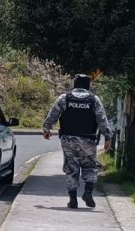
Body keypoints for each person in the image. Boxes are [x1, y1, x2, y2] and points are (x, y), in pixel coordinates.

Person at [41, 74, 114, 209]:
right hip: (89, 140)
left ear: (75, 84)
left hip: (68, 139)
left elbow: (53, 114)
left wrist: (46, 129)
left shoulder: (65, 98)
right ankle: (88, 192)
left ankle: (73, 199)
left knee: (71, 168)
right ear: (88, 85)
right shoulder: (94, 100)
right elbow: (102, 119)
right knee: (90, 166)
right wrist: (108, 137)